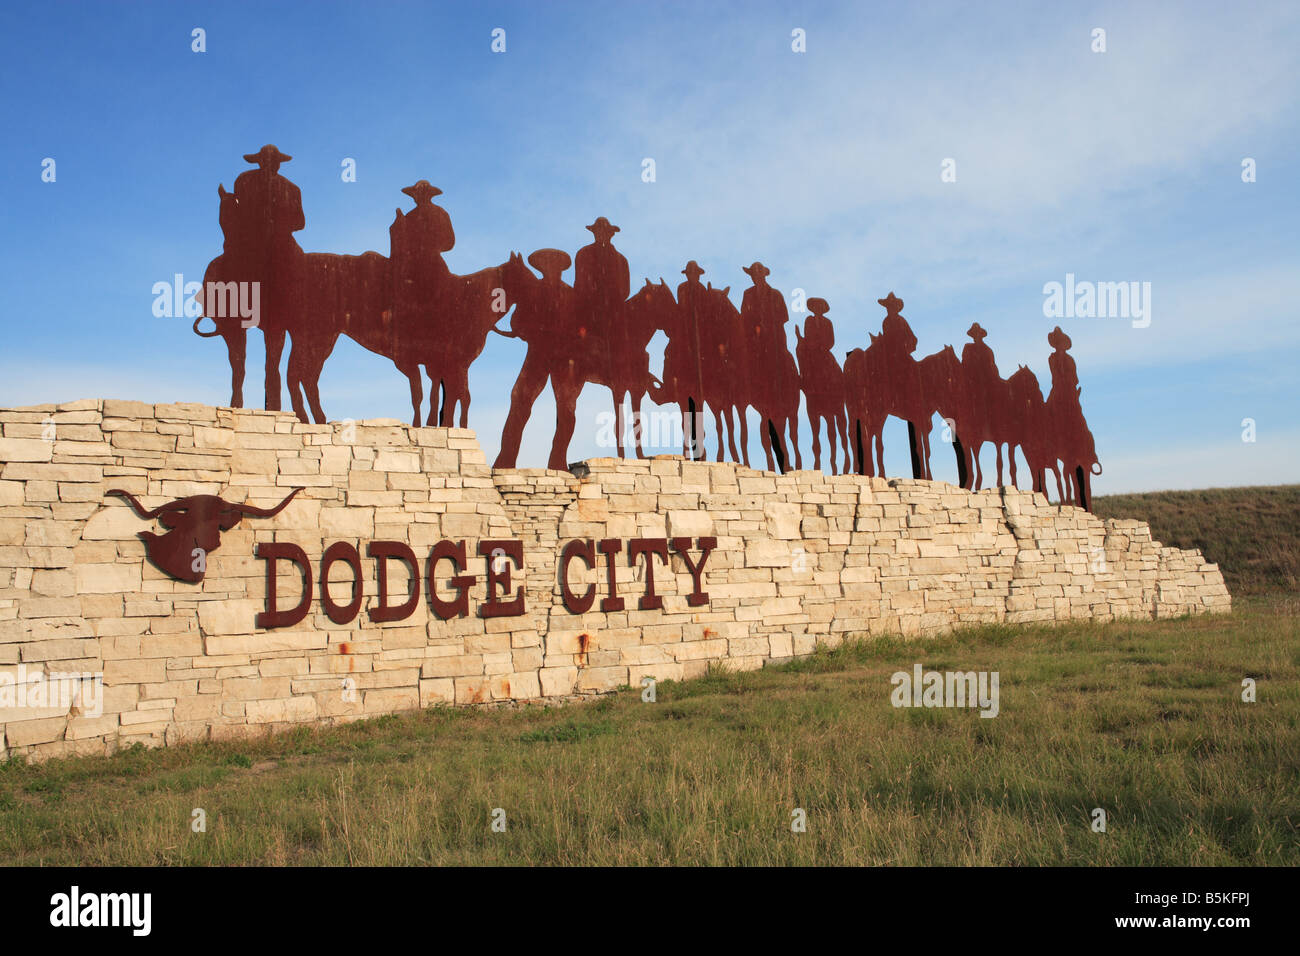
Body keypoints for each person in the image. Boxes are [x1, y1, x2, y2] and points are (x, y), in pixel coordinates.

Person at [574, 217, 629, 341]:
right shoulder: (584, 254)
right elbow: (580, 284)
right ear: (594, 233)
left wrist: (611, 301)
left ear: (611, 234)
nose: (601, 234)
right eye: (598, 231)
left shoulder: (621, 260)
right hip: (588, 310)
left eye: (605, 231)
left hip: (614, 312)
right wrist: (594, 300)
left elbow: (625, 290)